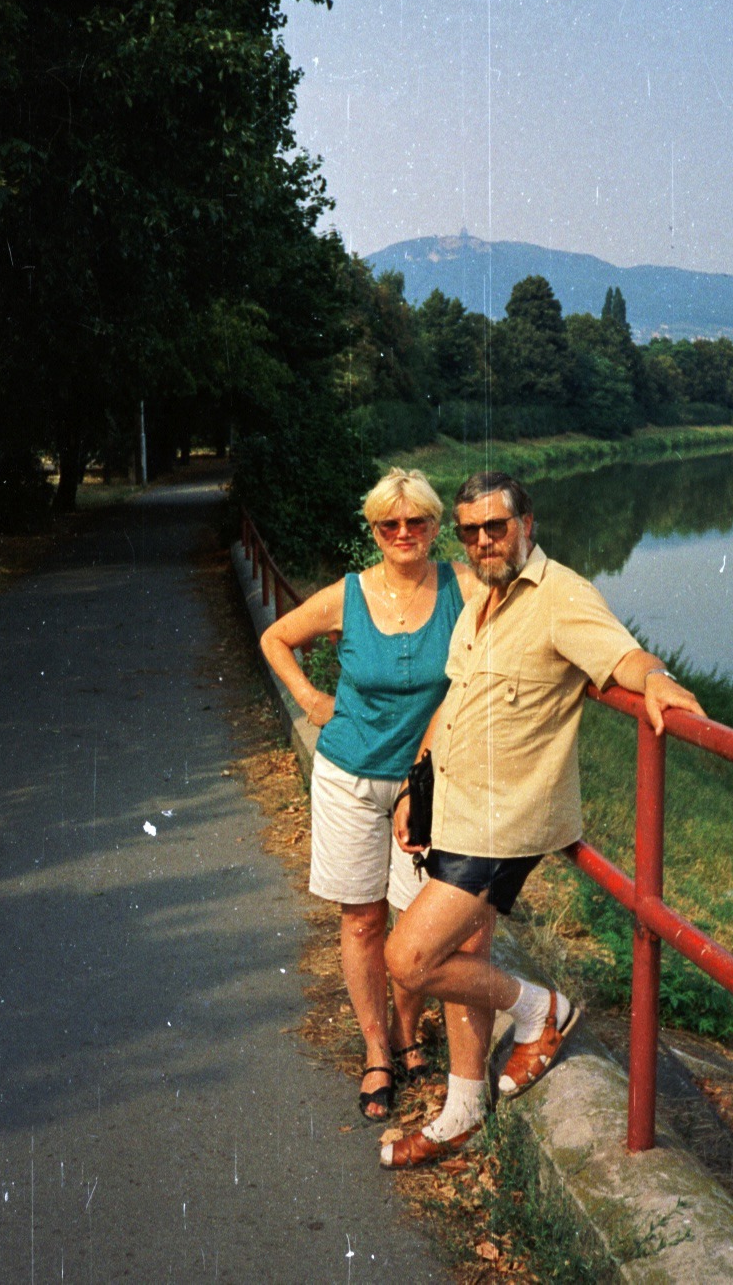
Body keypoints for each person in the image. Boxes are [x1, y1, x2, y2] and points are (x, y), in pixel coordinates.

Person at [381, 471, 706, 1167]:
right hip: (457, 809)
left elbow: (623, 656)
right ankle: (461, 1109)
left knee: (408, 957)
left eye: (495, 526)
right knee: (463, 955)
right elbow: (454, 704)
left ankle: (537, 1009)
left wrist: (659, 681)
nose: (482, 541)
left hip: (505, 821)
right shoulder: (479, 605)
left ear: (528, 523)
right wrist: (416, 784)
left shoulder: (561, 596)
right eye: (469, 532)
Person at [260, 468, 477, 1120]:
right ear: (375, 530)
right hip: (350, 776)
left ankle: (411, 1032)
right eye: (390, 524)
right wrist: (309, 698)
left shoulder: (462, 588)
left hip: (429, 783)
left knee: (415, 921)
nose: (404, 534)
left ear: (437, 528)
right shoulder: (346, 596)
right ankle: (378, 1047)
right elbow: (276, 637)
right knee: (362, 918)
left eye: (418, 523)